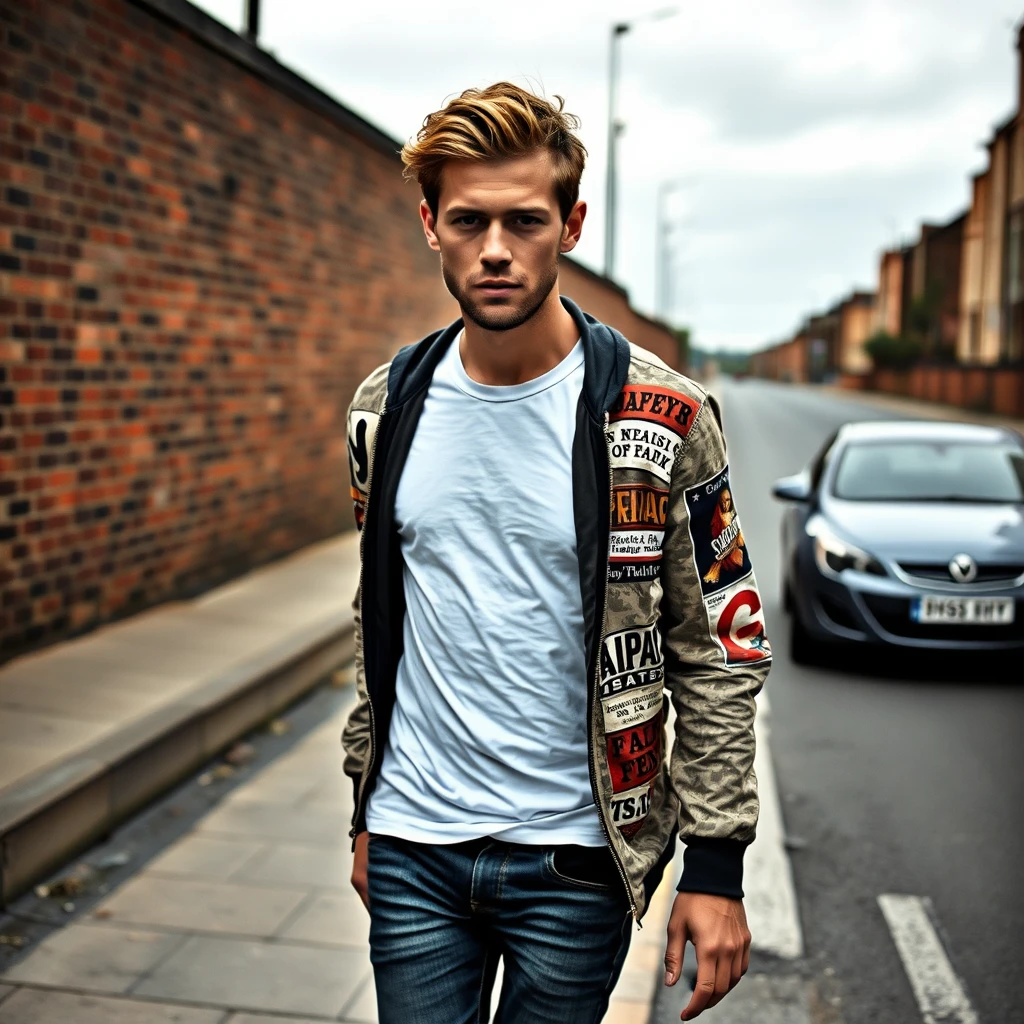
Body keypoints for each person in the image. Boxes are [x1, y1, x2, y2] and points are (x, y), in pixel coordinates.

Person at [342, 81, 772, 1024]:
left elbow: (721, 645)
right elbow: (381, 621)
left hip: (577, 858)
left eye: (525, 221)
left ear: (571, 225)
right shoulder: (385, 408)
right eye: (469, 221)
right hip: (414, 844)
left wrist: (717, 865)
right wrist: (366, 810)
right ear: (430, 225)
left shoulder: (663, 414)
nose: (495, 250)